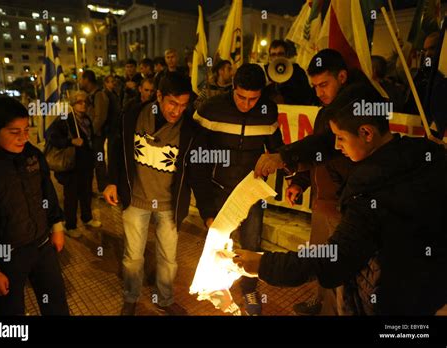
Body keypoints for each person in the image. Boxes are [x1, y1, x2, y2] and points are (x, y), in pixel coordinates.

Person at [234, 83, 447, 315]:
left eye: (341, 138)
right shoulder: (429, 155)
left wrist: (264, 264)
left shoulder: (367, 192)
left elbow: (333, 261)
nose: (336, 146)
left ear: (366, 133)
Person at [254, 49, 371, 315]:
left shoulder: (356, 109)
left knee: (336, 264)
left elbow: (326, 145)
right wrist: (301, 183)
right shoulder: (324, 111)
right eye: (314, 86)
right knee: (319, 258)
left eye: (324, 84)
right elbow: (318, 154)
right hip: (321, 201)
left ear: (342, 76)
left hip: (342, 203)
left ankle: (333, 310)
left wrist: (283, 156)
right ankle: (319, 301)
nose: (318, 92)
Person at [190, 63, 284, 315]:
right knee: (218, 244)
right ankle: (216, 289)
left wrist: (283, 167)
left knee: (251, 245)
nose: (246, 104)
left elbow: (276, 148)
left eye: (253, 99)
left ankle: (250, 287)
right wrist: (206, 208)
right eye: (241, 97)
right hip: (218, 189)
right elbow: (196, 161)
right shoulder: (211, 109)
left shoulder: (267, 110)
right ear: (232, 87)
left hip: (250, 191)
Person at [104, 72, 197, 316]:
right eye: (172, 103)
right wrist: (111, 181)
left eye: (183, 105)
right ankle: (131, 297)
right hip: (136, 199)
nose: (177, 111)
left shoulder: (189, 129)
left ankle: (165, 300)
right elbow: (116, 148)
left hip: (169, 204)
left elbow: (198, 171)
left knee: (168, 259)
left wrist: (210, 210)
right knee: (133, 257)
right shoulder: (132, 115)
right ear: (159, 96)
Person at [0, 96, 69, 315]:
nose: (24, 138)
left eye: (27, 129)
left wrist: (57, 226)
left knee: (56, 303)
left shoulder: (32, 154)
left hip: (43, 244)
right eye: (15, 132)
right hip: (6, 255)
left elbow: (48, 191)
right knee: (10, 312)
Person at [46, 91, 102, 238]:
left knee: (86, 193)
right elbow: (52, 138)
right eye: (79, 102)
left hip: (86, 164)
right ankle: (70, 225)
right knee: (71, 196)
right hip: (72, 165)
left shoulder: (87, 119)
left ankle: (87, 217)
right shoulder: (65, 119)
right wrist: (70, 141)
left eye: (85, 102)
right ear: (72, 104)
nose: (83, 104)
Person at [79, 70, 109, 194]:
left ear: (87, 79)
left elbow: (100, 117)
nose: (80, 82)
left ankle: (103, 189)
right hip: (91, 136)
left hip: (96, 136)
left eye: (81, 79)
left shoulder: (99, 95)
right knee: (91, 162)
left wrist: (90, 133)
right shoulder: (91, 94)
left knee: (99, 161)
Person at [263, 40, 315, 105]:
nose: (277, 57)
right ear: (270, 57)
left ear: (286, 54)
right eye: (273, 55)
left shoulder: (297, 71)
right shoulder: (265, 72)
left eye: (280, 54)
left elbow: (307, 95)